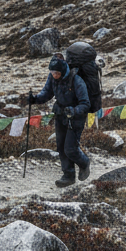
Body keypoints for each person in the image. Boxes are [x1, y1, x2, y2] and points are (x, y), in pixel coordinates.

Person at [30, 56, 91, 187]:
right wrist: (35, 99)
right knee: (61, 147)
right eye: (52, 72)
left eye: (56, 73)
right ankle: (68, 176)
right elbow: (47, 92)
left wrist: (74, 111)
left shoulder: (76, 80)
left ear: (63, 71)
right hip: (60, 114)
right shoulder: (52, 77)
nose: (54, 75)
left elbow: (86, 103)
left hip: (76, 116)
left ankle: (84, 163)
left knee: (70, 148)